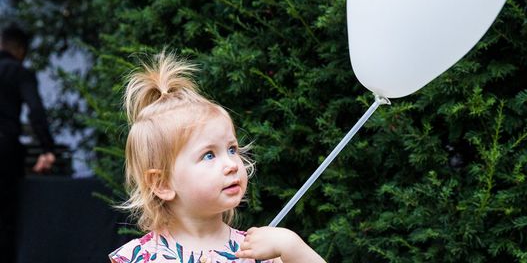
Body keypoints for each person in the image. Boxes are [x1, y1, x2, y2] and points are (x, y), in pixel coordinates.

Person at [109, 52, 325, 263]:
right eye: (209, 155)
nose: (231, 164)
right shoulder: (139, 257)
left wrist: (292, 247)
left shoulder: (257, 251)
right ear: (162, 183)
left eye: (232, 149)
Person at [0, 25, 56, 260]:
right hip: (4, 151)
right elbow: (35, 110)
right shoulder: (19, 72)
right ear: (21, 50)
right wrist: (47, 149)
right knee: (5, 221)